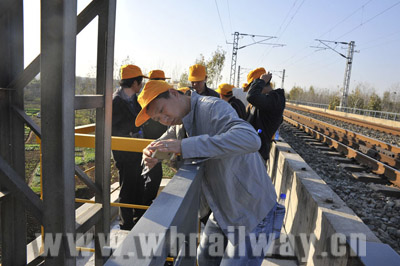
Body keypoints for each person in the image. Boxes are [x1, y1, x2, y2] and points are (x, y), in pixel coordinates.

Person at [135, 80, 282, 265]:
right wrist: (150, 152)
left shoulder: (212, 107)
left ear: (173, 93)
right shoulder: (180, 122)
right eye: (158, 119)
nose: (164, 119)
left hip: (252, 211)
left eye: (163, 111)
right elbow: (165, 141)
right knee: (204, 259)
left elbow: (251, 139)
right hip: (223, 208)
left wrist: (184, 146)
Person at [112, 64, 148, 230]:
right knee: (126, 188)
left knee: (138, 185)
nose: (140, 86)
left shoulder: (134, 99)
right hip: (124, 153)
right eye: (140, 82)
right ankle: (125, 224)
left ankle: (137, 218)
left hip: (137, 152)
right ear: (134, 82)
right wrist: (131, 132)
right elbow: (113, 128)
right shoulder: (116, 102)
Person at [140, 69, 170, 206]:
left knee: (152, 178)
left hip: (156, 145)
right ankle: (143, 209)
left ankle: (144, 208)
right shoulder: (146, 101)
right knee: (150, 179)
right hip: (151, 148)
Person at [245, 67, 286, 161]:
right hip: (251, 151)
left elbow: (251, 96)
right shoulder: (266, 100)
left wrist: (261, 81)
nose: (250, 90)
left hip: (257, 155)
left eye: (252, 86)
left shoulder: (275, 99)